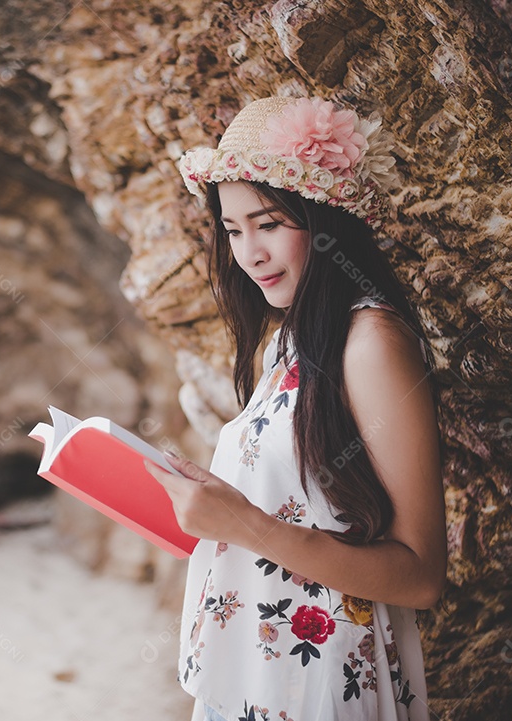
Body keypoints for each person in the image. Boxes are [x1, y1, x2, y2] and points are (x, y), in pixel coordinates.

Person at [144, 95, 447, 721]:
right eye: (232, 230)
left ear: (325, 221)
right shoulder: (286, 344)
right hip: (254, 667)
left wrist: (244, 525)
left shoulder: (372, 346)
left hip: (326, 677)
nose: (248, 253)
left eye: (270, 224)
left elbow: (420, 576)